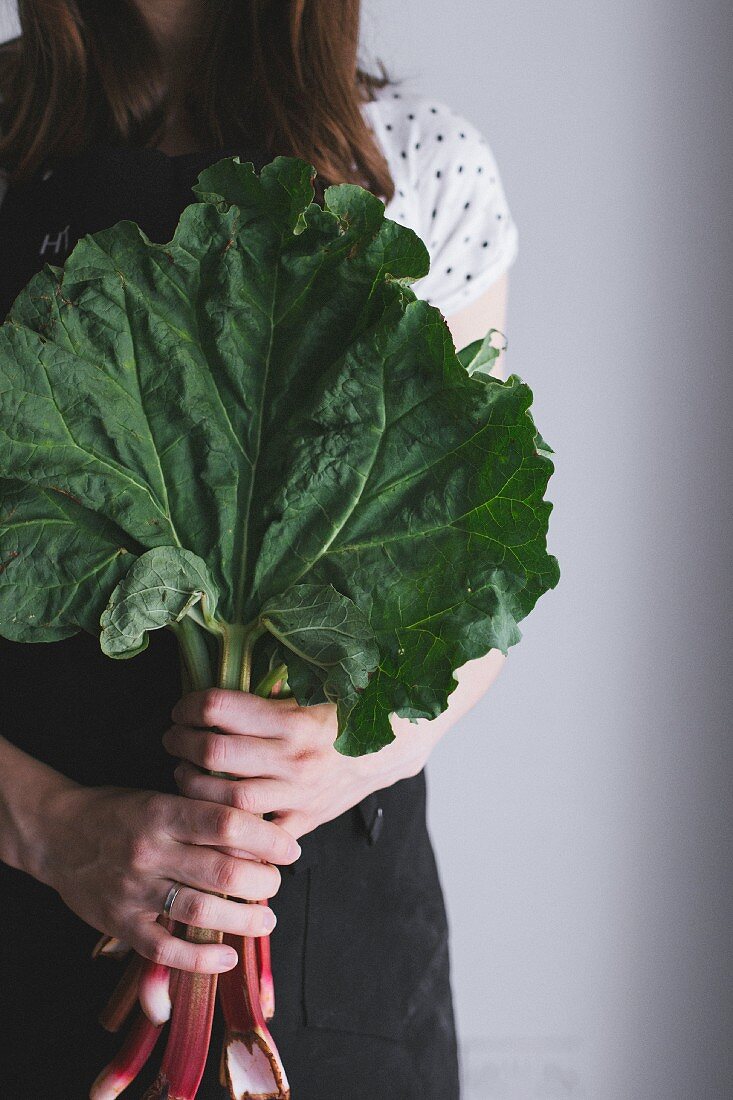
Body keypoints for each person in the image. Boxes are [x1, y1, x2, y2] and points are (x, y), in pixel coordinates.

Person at [0, 2, 518, 1097]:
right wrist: (46, 827)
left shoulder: (424, 162)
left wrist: (363, 742)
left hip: (337, 964)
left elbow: (475, 570)